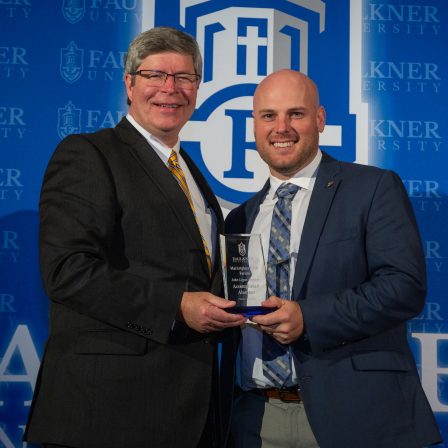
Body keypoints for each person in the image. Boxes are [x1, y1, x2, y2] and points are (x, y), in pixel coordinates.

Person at [24, 26, 245, 448]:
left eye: (184, 78)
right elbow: (67, 271)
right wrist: (177, 305)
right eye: (155, 75)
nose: (170, 88)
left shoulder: (192, 176)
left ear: (197, 89)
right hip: (106, 414)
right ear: (129, 83)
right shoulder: (89, 154)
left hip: (188, 413)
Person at [220, 69, 442, 448]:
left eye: (296, 114)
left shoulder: (372, 188)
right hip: (253, 420)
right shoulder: (240, 218)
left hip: (353, 416)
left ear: (319, 119)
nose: (282, 128)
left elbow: (404, 287)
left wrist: (310, 317)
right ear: (254, 125)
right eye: (269, 116)